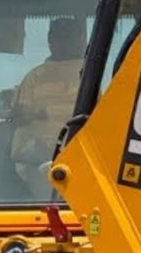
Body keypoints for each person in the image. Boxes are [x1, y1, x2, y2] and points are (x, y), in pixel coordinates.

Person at [7, 17, 87, 199]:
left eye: (69, 37)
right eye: (60, 37)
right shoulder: (34, 78)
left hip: (80, 158)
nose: (64, 42)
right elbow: (20, 118)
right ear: (50, 41)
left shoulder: (90, 78)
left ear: (80, 41)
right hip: (40, 160)